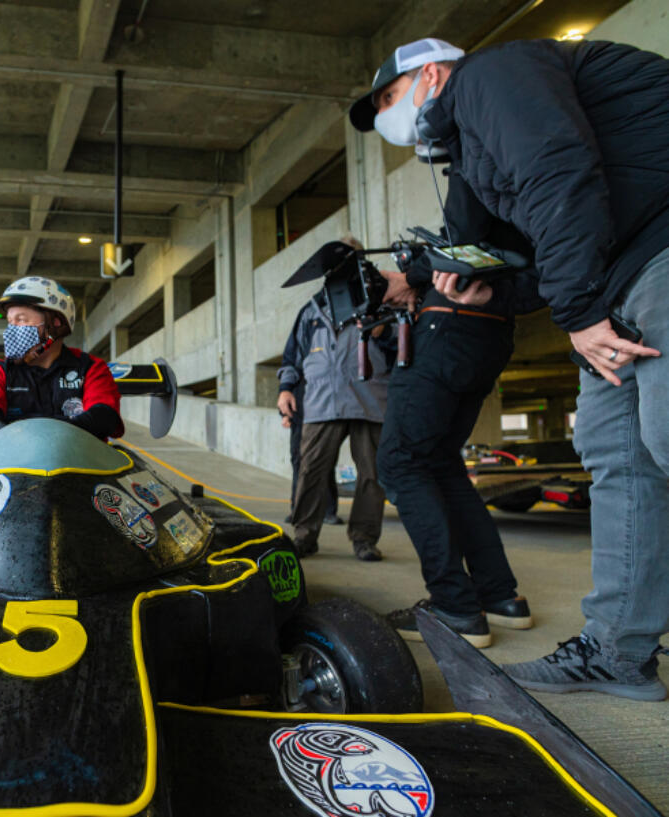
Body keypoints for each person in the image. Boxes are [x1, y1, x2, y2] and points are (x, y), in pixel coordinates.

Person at [352, 37, 668, 698]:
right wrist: (496, 290)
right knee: (616, 455)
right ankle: (619, 648)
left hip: (658, 250)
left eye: (387, 97)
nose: (385, 116)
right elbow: (532, 252)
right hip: (616, 283)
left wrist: (577, 309)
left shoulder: (488, 76)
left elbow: (560, 170)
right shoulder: (471, 152)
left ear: (429, 74)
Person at [277, 279, 391, 562]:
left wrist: (384, 331)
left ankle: (364, 539)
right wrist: (286, 390)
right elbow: (293, 356)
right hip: (321, 400)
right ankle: (304, 535)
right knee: (310, 469)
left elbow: (403, 348)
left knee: (372, 474)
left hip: (370, 398)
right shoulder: (312, 310)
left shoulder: (380, 305)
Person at [0, 277, 123, 441]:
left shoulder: (90, 367)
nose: (12, 330)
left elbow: (104, 417)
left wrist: (35, 433)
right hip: (10, 461)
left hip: (78, 460)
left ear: (55, 322)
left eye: (21, 320)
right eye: (10, 322)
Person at [279, 303, 341, 526]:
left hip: (331, 395)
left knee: (324, 457)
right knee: (299, 457)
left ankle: (328, 509)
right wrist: (284, 411)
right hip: (302, 396)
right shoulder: (308, 311)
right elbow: (290, 362)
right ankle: (298, 508)